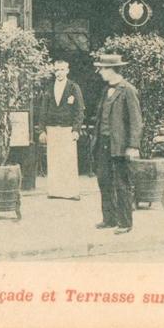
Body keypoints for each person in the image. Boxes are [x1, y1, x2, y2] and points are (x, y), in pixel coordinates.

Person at [90, 53, 143, 235]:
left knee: (122, 183)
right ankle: (109, 219)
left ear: (113, 70)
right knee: (104, 180)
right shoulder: (106, 90)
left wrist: (133, 145)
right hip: (104, 143)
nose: (100, 72)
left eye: (103, 68)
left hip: (120, 145)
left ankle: (125, 222)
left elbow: (136, 121)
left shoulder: (127, 90)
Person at [36, 60, 85, 200]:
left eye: (62, 69)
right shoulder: (49, 88)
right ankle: (55, 191)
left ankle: (71, 192)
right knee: (54, 160)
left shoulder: (73, 87)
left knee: (68, 161)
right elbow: (43, 111)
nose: (59, 73)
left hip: (67, 129)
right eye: (57, 70)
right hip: (52, 129)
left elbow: (79, 110)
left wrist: (76, 129)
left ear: (67, 70)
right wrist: (42, 130)